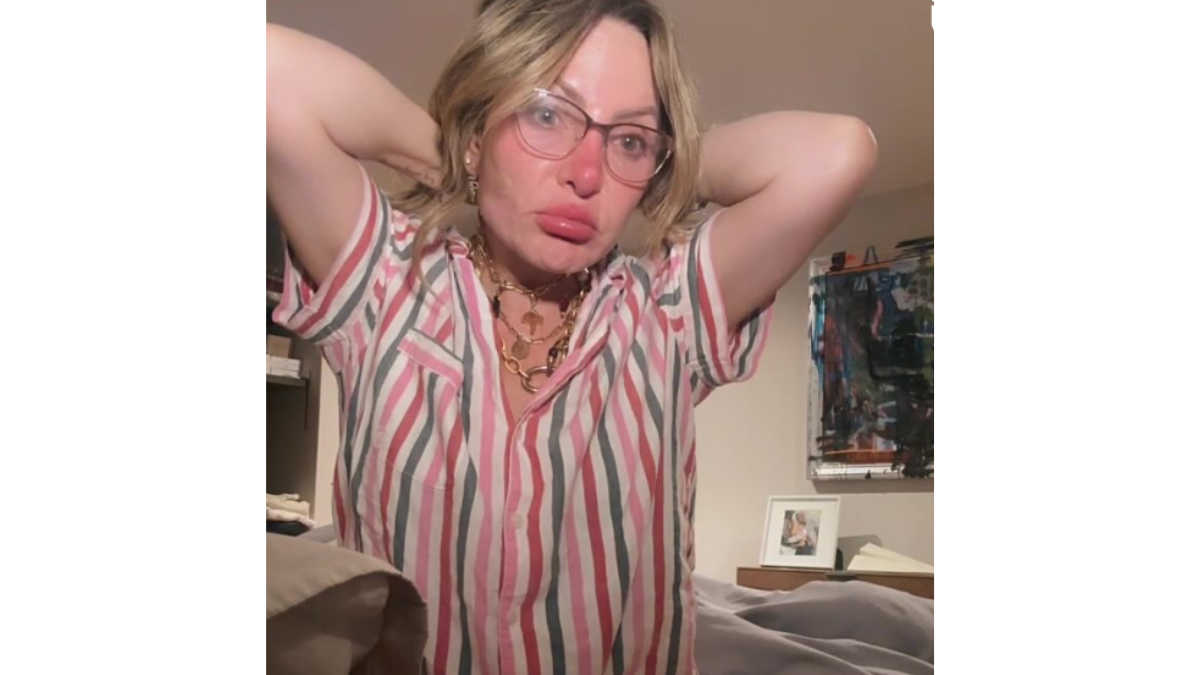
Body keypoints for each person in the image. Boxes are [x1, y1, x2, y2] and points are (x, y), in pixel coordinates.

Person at [266, 1, 876, 673]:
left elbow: (837, 152)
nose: (587, 175)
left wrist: (658, 174)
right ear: (479, 126)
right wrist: (459, 155)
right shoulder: (389, 282)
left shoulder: (667, 312)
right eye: (547, 114)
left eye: (629, 141)